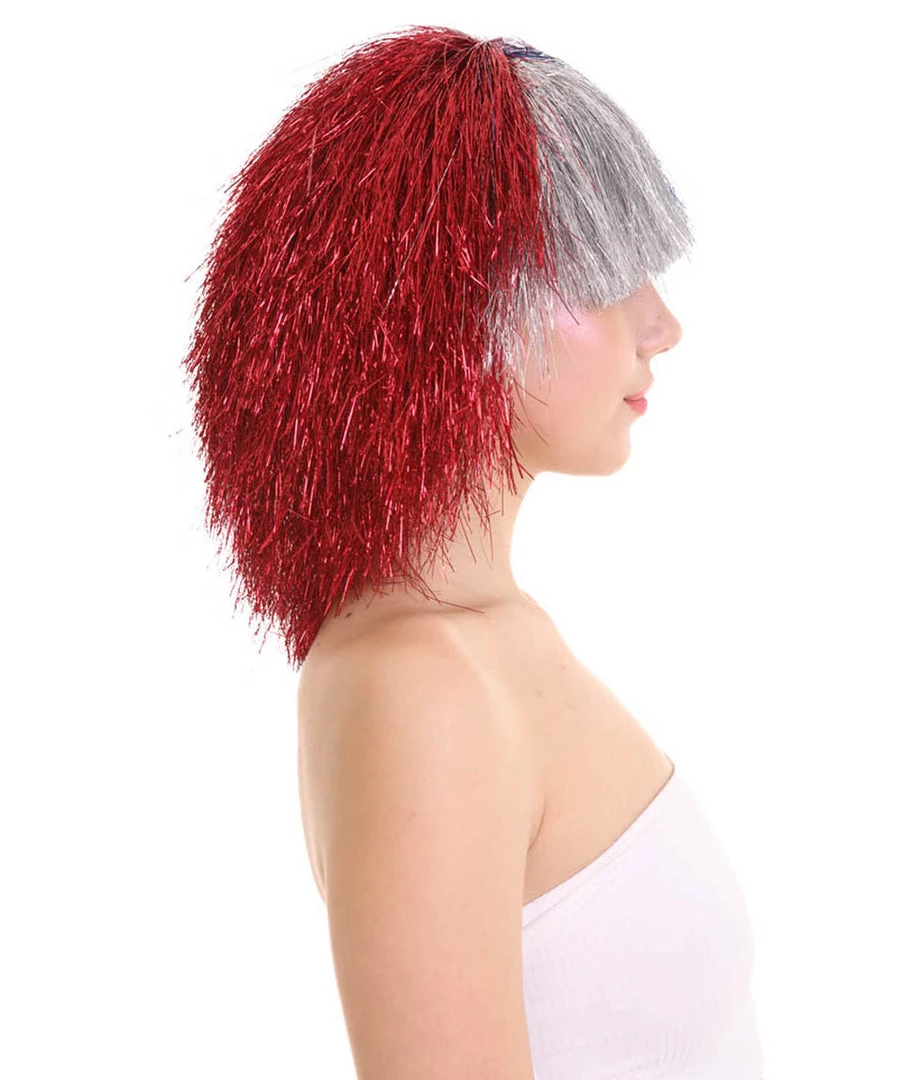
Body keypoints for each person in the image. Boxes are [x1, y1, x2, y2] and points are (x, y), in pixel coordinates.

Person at [184, 24, 764, 1079]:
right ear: (452, 307)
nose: (661, 324)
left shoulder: (490, 642)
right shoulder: (417, 683)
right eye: (608, 274)